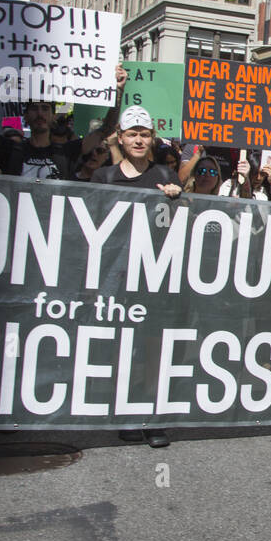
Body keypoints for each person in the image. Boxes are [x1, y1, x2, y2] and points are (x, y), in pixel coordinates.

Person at [91, 105, 182, 449]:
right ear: (121, 138)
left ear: (152, 138)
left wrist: (176, 199)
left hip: (155, 273)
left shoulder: (165, 174)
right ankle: (127, 413)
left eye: (145, 134)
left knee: (153, 347)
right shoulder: (104, 177)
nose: (139, 140)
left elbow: (179, 223)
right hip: (117, 274)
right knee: (123, 347)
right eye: (133, 134)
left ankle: (153, 417)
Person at [0, 43, 126, 179]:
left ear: (53, 116)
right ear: (26, 116)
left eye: (45, 108)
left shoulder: (67, 152)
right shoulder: (10, 149)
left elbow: (106, 129)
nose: (40, 114)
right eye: (34, 108)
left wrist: (118, 91)